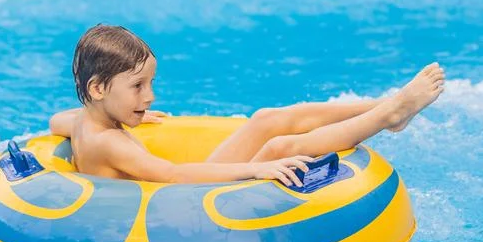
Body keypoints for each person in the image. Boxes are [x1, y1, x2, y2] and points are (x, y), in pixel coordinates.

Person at [49, 24, 445, 187]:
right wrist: (257, 168)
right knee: (277, 149)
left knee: (265, 119)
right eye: (137, 87)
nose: (150, 96)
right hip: (173, 210)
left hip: (172, 195)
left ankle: (384, 103)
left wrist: (133, 112)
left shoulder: (85, 121)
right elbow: (171, 173)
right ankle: (386, 116)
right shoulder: (110, 144)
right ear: (99, 88)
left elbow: (56, 122)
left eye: (151, 84)